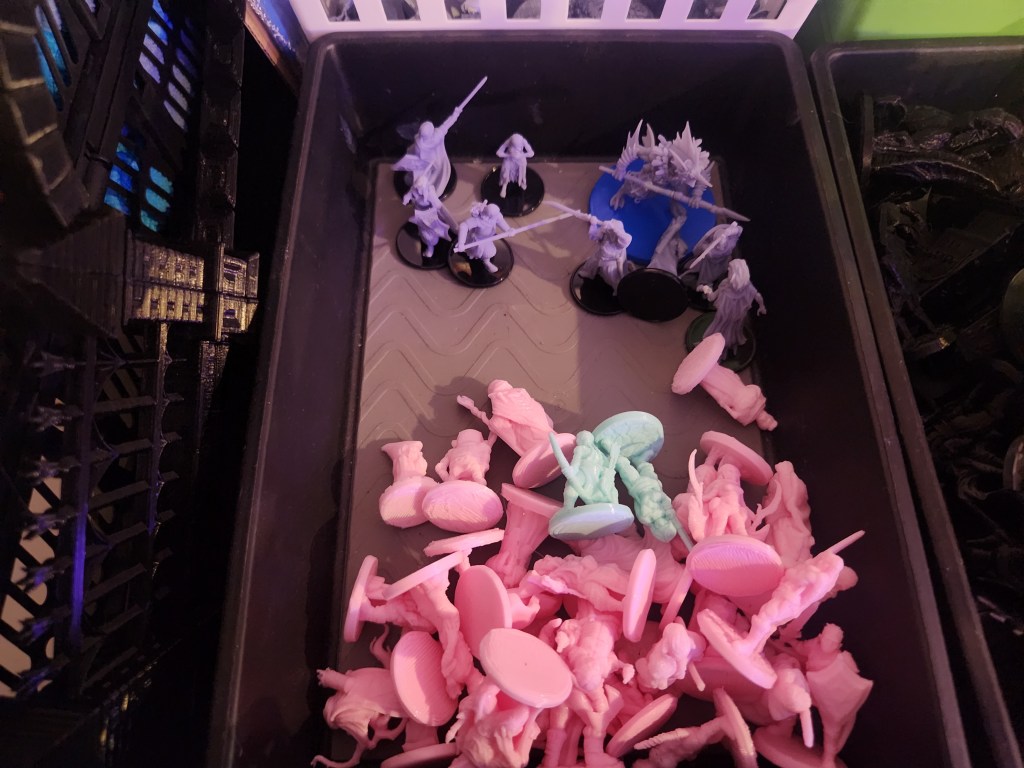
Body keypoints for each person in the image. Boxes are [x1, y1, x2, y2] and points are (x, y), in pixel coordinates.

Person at [699, 258, 765, 352]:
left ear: (734, 273)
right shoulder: (745, 286)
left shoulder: (727, 284)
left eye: (730, 270)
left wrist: (705, 289)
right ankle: (723, 347)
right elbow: (757, 296)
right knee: (729, 332)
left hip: (729, 317)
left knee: (721, 332)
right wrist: (761, 306)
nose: (728, 271)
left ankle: (718, 348)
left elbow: (712, 297)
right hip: (730, 317)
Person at [402, 175, 456, 258]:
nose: (418, 191)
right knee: (421, 229)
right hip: (418, 214)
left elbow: (438, 205)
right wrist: (406, 198)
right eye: (417, 188)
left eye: (420, 188)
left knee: (429, 235)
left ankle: (430, 248)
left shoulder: (430, 193)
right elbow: (409, 193)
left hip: (429, 216)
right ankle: (423, 237)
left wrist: (445, 216)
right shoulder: (415, 188)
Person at [579, 217, 632, 293]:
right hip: (600, 255)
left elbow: (627, 239)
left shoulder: (619, 241)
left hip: (611, 261)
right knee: (591, 263)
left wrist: (614, 228)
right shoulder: (605, 234)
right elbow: (593, 236)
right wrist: (593, 224)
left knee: (613, 277)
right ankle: (588, 273)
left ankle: (618, 288)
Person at [457, 201, 511, 273]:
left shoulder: (495, 216)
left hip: (487, 239)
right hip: (476, 240)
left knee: (490, 251)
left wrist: (508, 229)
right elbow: (463, 226)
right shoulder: (478, 220)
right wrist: (461, 243)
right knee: (487, 253)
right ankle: (485, 262)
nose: (496, 217)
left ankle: (486, 261)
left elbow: (500, 221)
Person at [496, 133, 535, 198]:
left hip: (520, 159)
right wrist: (508, 155)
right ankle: (504, 186)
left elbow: (531, 153)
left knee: (522, 166)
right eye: (515, 146)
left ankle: (522, 181)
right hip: (509, 158)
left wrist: (521, 155)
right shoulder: (509, 141)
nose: (516, 148)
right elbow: (498, 153)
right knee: (506, 168)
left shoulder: (523, 141)